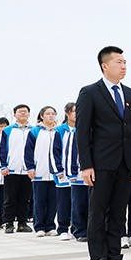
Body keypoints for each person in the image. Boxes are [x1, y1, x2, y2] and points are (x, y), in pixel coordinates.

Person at [76, 46, 131, 260]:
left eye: (125, 62)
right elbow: (82, 132)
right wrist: (86, 165)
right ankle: (99, 258)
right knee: (98, 210)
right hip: (101, 163)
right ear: (105, 65)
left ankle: (115, 256)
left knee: (118, 211)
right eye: (118, 62)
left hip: (126, 163)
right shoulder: (90, 93)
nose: (124, 66)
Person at [25, 106, 65, 237]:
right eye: (48, 113)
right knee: (39, 200)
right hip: (39, 172)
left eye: (53, 113)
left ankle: (50, 226)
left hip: (55, 173)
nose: (51, 116)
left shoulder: (57, 131)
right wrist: (30, 167)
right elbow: (28, 151)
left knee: (53, 200)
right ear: (42, 116)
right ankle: (39, 226)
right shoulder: (35, 131)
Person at [0, 104, 34, 233]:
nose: (23, 114)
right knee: (10, 198)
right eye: (20, 112)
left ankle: (22, 223)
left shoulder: (33, 130)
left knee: (25, 198)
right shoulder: (8, 130)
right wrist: (3, 165)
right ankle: (8, 223)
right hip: (11, 169)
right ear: (14, 115)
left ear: (29, 114)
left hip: (28, 171)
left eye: (25, 111)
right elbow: (1, 149)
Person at [54, 103, 76, 241]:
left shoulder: (84, 128)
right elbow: (54, 152)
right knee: (64, 201)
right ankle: (62, 228)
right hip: (63, 172)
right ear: (67, 113)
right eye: (74, 111)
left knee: (78, 202)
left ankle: (77, 228)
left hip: (78, 172)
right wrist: (58, 169)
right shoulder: (59, 130)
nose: (77, 114)